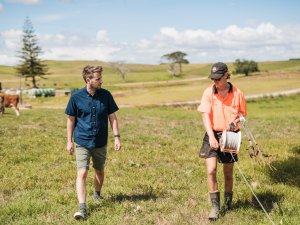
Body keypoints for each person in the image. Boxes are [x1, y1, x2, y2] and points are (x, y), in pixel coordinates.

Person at [65, 65, 121, 220]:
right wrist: (69, 141)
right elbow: (70, 120)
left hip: (100, 141)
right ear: (88, 80)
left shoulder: (106, 95)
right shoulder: (76, 97)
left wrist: (116, 137)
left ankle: (97, 194)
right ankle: (82, 208)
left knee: (99, 171)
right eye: (98, 79)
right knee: (82, 172)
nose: (101, 81)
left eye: (101, 78)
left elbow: (112, 117)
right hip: (82, 140)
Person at [197, 62, 246, 221]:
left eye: (218, 79)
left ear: (226, 75)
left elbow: (242, 115)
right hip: (212, 133)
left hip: (231, 135)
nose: (215, 82)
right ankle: (215, 207)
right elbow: (205, 115)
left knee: (228, 172)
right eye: (213, 79)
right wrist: (211, 137)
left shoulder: (238, 93)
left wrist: (236, 122)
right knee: (211, 170)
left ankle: (228, 203)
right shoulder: (208, 92)